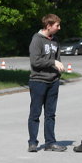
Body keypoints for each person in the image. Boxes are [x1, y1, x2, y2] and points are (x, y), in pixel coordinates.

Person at [27, 14, 66, 152]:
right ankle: (32, 142)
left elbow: (58, 59)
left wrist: (58, 71)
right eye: (57, 25)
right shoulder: (36, 40)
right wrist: (53, 62)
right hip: (38, 81)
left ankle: (50, 142)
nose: (59, 28)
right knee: (35, 113)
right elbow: (35, 61)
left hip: (53, 82)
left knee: (50, 114)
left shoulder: (55, 41)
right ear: (48, 26)